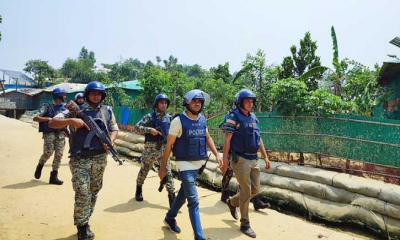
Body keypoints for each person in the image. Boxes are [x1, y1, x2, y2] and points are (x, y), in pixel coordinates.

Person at [48, 81, 119, 240]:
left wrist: (111, 142)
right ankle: (82, 226)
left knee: (94, 191)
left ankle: (85, 219)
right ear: (87, 94)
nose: (96, 96)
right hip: (80, 159)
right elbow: (52, 122)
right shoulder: (74, 110)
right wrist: (71, 121)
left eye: (99, 93)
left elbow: (114, 128)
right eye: (93, 93)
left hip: (100, 158)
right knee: (82, 192)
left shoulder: (107, 111)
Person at [159, 89, 223, 240]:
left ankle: (169, 217)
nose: (197, 103)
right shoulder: (178, 121)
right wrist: (163, 167)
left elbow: (207, 138)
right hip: (184, 164)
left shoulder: (202, 119)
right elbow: (169, 146)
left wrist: (217, 154)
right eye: (194, 100)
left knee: (183, 194)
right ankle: (199, 237)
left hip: (199, 165)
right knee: (193, 200)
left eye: (200, 101)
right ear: (187, 102)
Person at [221, 89, 271, 238]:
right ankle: (245, 223)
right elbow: (227, 139)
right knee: (247, 191)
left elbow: (258, 138)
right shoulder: (233, 117)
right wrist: (224, 160)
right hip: (240, 159)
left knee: (255, 190)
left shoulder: (254, 118)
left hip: (254, 158)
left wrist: (265, 156)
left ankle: (232, 202)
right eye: (247, 100)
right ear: (240, 102)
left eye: (252, 101)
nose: (250, 103)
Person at [134, 93, 176, 207]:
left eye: (166, 103)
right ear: (156, 104)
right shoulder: (149, 117)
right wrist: (149, 129)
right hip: (150, 149)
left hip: (164, 150)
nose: (164, 104)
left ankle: (172, 198)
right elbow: (136, 127)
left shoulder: (170, 118)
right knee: (144, 170)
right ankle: (138, 188)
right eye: (161, 102)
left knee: (168, 173)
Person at [33, 87, 67, 185]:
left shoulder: (65, 108)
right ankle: (40, 165)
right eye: (62, 95)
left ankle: (53, 176)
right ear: (58, 96)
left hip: (60, 133)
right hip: (49, 133)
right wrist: (48, 119)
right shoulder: (47, 107)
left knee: (59, 155)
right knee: (48, 152)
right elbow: (35, 118)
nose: (64, 96)